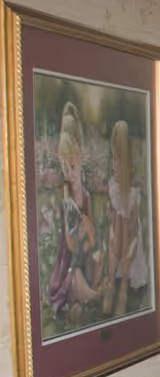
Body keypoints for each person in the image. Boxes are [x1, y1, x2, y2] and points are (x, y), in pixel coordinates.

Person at [45, 101, 102, 319]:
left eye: (73, 165)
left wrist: (88, 235)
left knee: (97, 260)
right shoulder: (67, 197)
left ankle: (90, 293)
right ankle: (92, 295)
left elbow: (92, 236)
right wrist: (81, 231)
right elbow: (69, 242)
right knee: (76, 277)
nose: (69, 171)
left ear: (79, 157)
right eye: (64, 167)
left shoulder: (85, 195)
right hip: (69, 261)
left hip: (84, 253)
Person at [103, 119, 149, 317]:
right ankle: (113, 281)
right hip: (117, 244)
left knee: (125, 227)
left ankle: (121, 288)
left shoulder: (131, 194)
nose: (114, 165)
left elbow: (134, 231)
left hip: (130, 246)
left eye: (117, 160)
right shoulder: (114, 187)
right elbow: (113, 225)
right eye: (112, 159)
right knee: (116, 229)